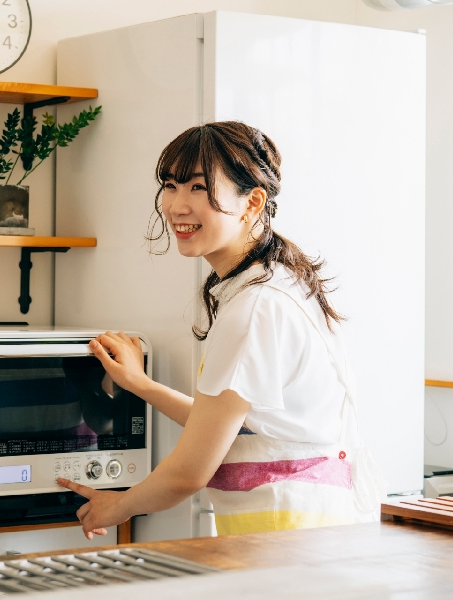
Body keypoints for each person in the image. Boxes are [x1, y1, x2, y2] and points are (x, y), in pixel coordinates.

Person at [56, 121, 385, 538]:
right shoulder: (271, 283)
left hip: (289, 541)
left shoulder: (255, 307)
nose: (176, 205)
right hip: (306, 534)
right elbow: (227, 427)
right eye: (171, 185)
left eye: (197, 188)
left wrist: (116, 506)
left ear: (252, 203)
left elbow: (190, 471)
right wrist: (139, 383)